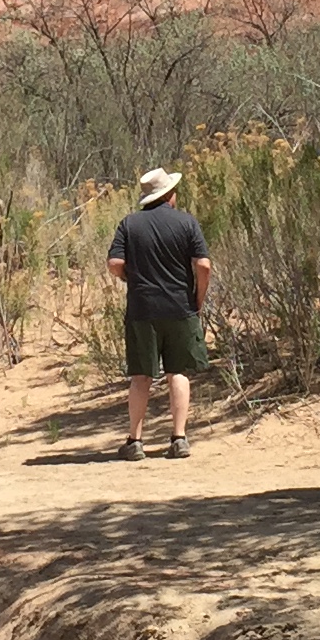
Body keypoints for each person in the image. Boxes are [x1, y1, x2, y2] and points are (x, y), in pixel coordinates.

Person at [106, 166, 211, 460]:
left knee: (141, 376)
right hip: (180, 306)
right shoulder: (186, 223)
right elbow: (203, 265)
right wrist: (197, 299)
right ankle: (179, 438)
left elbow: (114, 263)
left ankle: (135, 442)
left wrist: (133, 278)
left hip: (142, 309)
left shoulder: (130, 224)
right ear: (170, 195)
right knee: (178, 371)